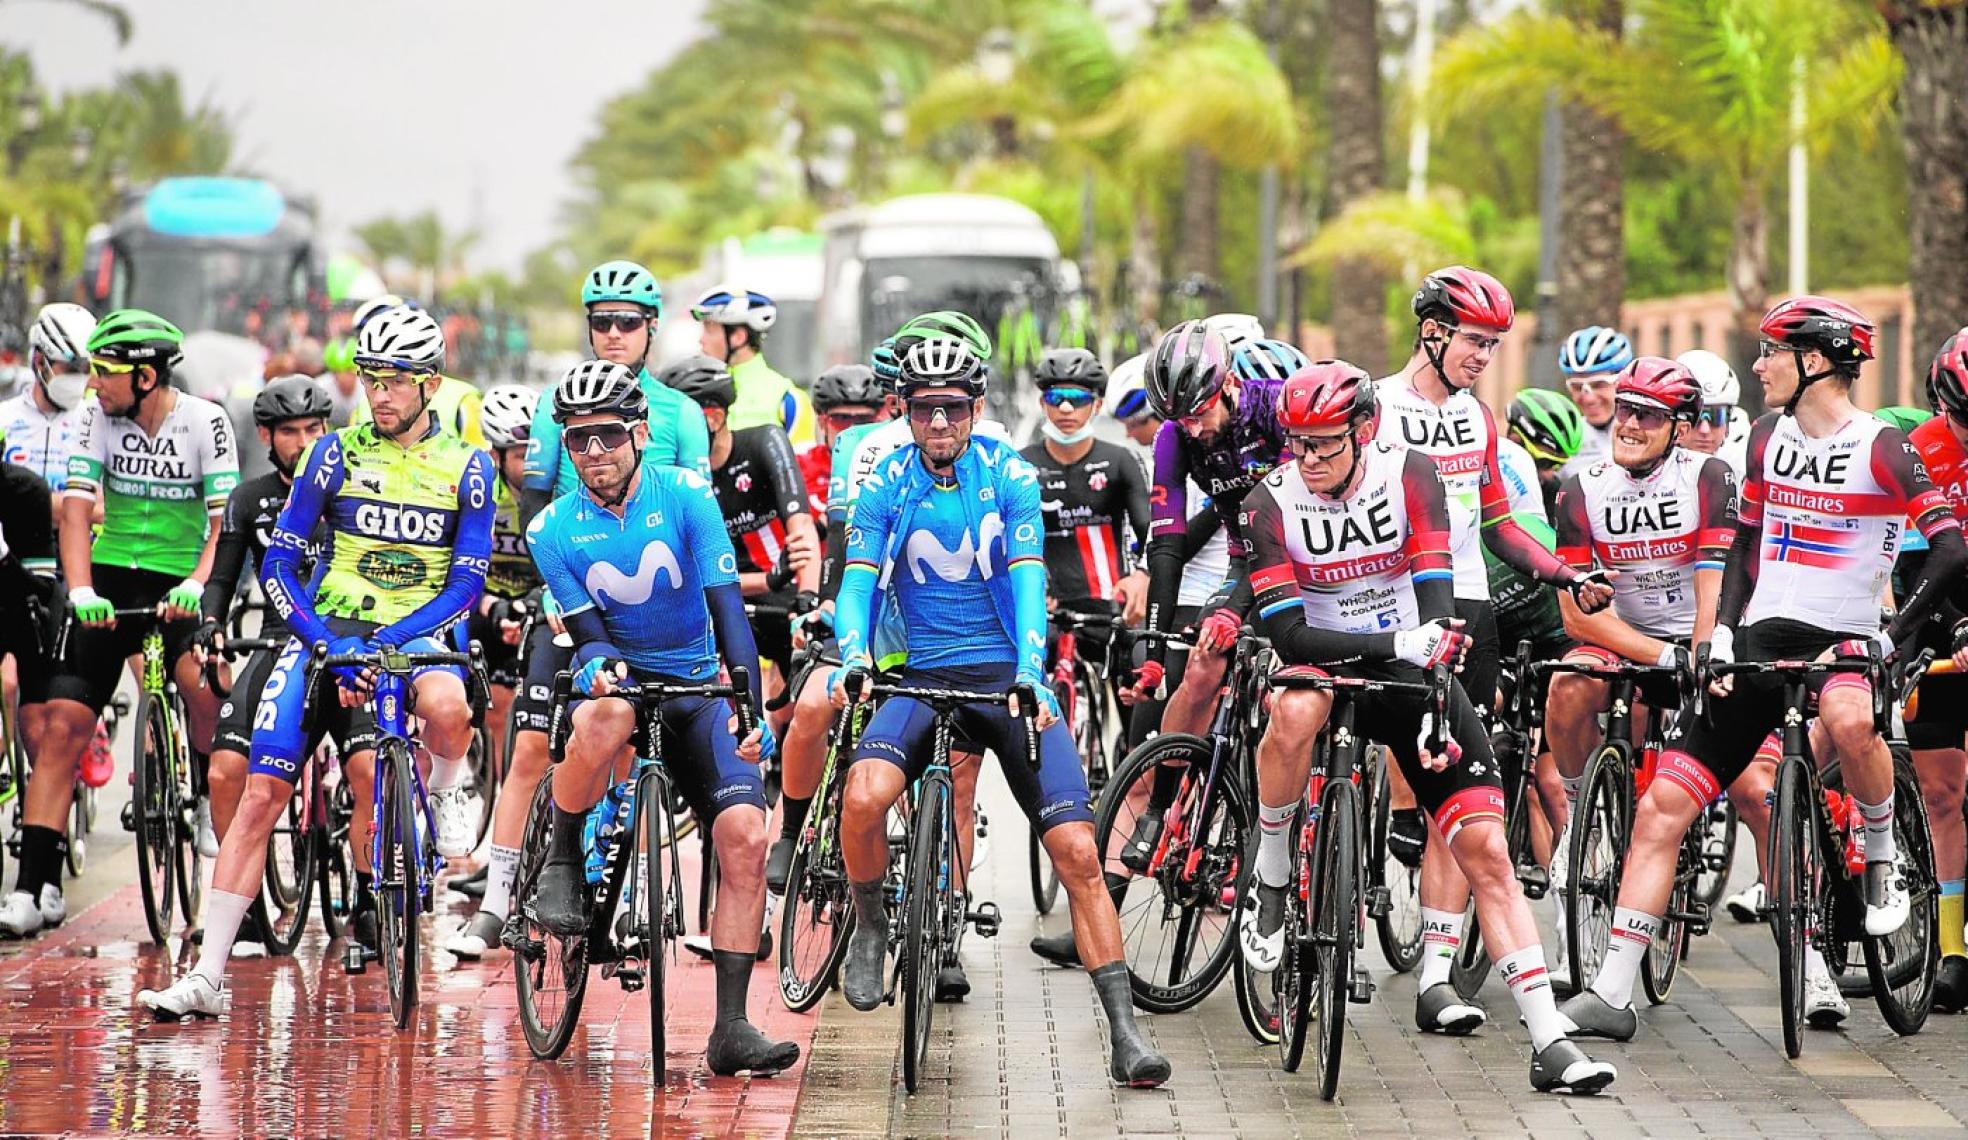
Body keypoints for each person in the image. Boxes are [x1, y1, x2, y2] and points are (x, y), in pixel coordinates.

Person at [1559, 296, 1968, 1042]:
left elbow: (1949, 549)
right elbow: (1744, 543)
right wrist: (1716, 632)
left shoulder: (1882, 445)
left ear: (1814, 361)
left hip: (1844, 640)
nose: (1758, 366)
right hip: (1756, 642)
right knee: (1662, 810)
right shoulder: (1765, 439)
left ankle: (1879, 854)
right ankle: (1612, 993)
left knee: (1848, 720)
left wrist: (1893, 638)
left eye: (1771, 352)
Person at [1237, 361, 1617, 1094]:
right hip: (1327, 662)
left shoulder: (1409, 473)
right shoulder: (1267, 501)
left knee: (1486, 850)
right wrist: (1391, 645)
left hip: (1409, 664)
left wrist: (1436, 672)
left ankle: (1549, 1040)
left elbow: (1435, 590)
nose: (1308, 460)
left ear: (1362, 430)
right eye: (1298, 445)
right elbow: (1286, 634)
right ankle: (1276, 870)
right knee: (1295, 706)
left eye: (1324, 444)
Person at [828, 336, 1170, 1088]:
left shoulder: (1007, 474)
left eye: (953, 410)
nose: (940, 424)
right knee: (861, 797)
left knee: (1079, 851)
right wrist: (853, 653)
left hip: (1002, 680)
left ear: (976, 411)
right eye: (925, 411)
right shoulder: (887, 481)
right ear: (907, 413)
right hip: (918, 675)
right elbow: (857, 580)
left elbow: (1025, 578)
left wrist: (1028, 670)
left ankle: (1125, 1032)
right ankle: (872, 923)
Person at [138, 305, 495, 1019]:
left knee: (450, 709)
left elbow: (467, 583)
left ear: (429, 383)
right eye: (370, 379)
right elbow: (279, 563)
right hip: (330, 634)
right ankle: (206, 975)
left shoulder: (469, 465)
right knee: (259, 795)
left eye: (395, 380)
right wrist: (322, 640)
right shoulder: (334, 454)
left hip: (418, 629)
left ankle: (451, 789)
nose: (379, 393)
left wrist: (402, 636)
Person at [522, 360, 799, 1076]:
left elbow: (727, 609)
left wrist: (748, 707)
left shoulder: (685, 496)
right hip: (615, 679)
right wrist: (597, 661)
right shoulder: (552, 528)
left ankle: (731, 1027)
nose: (594, 454)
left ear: (639, 432)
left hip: (697, 686)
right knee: (607, 712)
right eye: (577, 441)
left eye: (608, 436)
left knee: (743, 835)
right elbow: (586, 630)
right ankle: (561, 857)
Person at [0, 310, 238, 939]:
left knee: (207, 687)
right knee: (61, 723)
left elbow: (223, 527)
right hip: (109, 578)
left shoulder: (205, 423)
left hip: (181, 578)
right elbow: (75, 511)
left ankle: (210, 802)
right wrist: (79, 589)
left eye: (104, 372)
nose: (93, 383)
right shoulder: (93, 418)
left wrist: (197, 586)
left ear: (146, 375)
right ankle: (33, 888)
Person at [1542, 358, 1736, 988]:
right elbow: (1576, 616)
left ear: (1678, 426)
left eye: (1646, 415)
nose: (1627, 423)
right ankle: (1580, 816)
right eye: (1624, 409)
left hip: (1693, 632)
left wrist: (1701, 655)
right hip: (1624, 637)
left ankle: (1808, 949)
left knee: (1758, 786)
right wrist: (1657, 656)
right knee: (1568, 686)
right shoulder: (1579, 484)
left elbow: (1715, 582)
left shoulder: (1707, 475)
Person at [198, 377, 333, 860]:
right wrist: (210, 624)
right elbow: (222, 579)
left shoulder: (351, 490)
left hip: (345, 643)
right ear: (265, 436)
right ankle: (245, 903)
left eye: (314, 430)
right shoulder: (248, 498)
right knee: (224, 771)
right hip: (277, 643)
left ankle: (366, 899)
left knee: (365, 772)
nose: (304, 444)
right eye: (290, 432)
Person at [447, 383, 550, 959]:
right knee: (486, 702)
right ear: (495, 453)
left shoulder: (549, 485)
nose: (527, 462)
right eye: (517, 453)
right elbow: (462, 568)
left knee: (523, 715)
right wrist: (493, 609)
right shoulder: (481, 489)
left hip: (537, 602)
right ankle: (481, 752)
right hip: (487, 602)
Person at [660, 353, 820, 720]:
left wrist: (808, 600)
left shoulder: (765, 441)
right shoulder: (670, 473)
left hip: (784, 592)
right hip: (722, 593)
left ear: (713, 417)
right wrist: (763, 579)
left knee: (810, 702)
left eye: (678, 418)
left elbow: (802, 529)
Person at [523, 260, 710, 523]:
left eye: (627, 322)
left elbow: (701, 509)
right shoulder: (554, 401)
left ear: (652, 326)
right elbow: (533, 503)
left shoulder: (684, 411)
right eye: (601, 322)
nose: (613, 333)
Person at [1903, 335, 1968, 1010]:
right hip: (1942, 609)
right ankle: (1953, 949)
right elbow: (1920, 562)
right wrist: (1955, 626)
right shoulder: (1920, 450)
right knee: (1942, 794)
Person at [1019, 347, 1151, 631]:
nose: (1066, 408)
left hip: (1112, 610)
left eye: (1078, 399)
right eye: (1056, 398)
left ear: (1097, 406)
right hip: (1045, 613)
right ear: (1043, 403)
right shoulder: (1020, 464)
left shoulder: (1121, 461)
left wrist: (1143, 575)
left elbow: (1152, 531)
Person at [347, 295, 486, 448]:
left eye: (397, 381)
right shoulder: (362, 405)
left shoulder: (463, 399)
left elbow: (481, 461)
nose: (380, 398)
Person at [692, 285, 812, 444]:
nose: (701, 339)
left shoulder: (789, 400)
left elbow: (802, 465)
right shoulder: (695, 392)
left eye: (710, 330)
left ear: (738, 337)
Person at [2, 303, 94, 511]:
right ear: (39, 361)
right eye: (71, 368)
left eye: (86, 368)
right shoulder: (4, 419)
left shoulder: (97, 424)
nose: (79, 376)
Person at [801, 363, 885, 525]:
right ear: (822, 422)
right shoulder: (799, 468)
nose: (852, 429)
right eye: (842, 419)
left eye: (863, 420)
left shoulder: (894, 467)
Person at [1558, 326, 1635, 476]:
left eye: (1599, 385)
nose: (1588, 398)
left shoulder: (1651, 433)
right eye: (1577, 387)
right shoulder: (1563, 440)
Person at [1504, 388, 1584, 517]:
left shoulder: (1553, 490)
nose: (1550, 473)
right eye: (1545, 462)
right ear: (1515, 440)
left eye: (1559, 465)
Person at [1678, 348, 1751, 478]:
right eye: (1695, 417)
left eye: (1717, 416)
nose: (1705, 430)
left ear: (1730, 420)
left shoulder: (1745, 459)